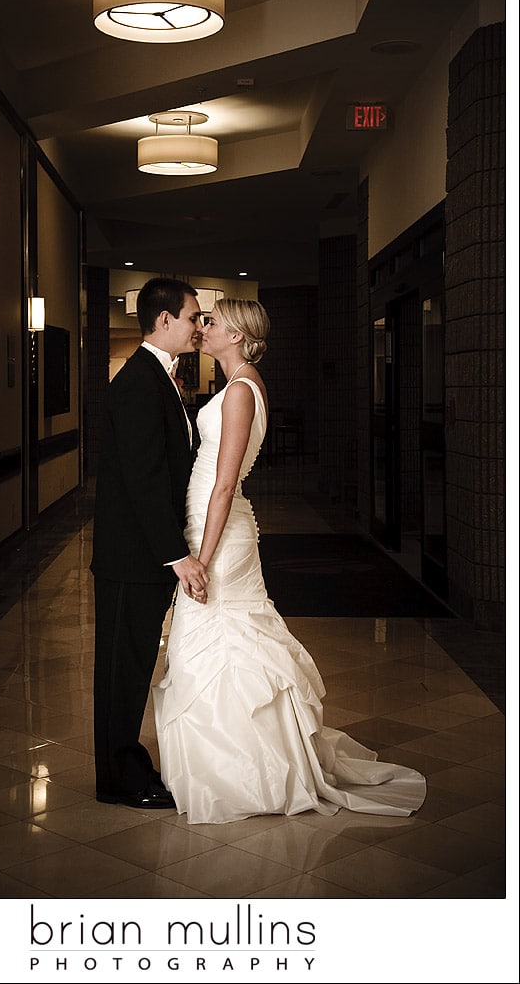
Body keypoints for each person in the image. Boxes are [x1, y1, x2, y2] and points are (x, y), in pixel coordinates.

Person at [153, 298, 426, 824]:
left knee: (215, 643)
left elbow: (227, 483)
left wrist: (201, 559)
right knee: (220, 645)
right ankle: (237, 763)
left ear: (237, 335)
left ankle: (241, 773)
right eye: (202, 320)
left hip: (220, 536)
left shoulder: (239, 391)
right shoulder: (244, 384)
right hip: (214, 527)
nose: (203, 328)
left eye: (214, 322)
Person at [91, 277, 209, 808]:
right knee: (122, 670)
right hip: (130, 557)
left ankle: (125, 767)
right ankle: (119, 779)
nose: (198, 326)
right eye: (192, 316)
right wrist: (177, 555)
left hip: (141, 555)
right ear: (164, 320)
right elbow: (143, 479)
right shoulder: (140, 382)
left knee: (133, 665)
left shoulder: (161, 379)